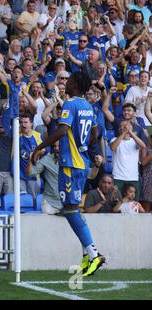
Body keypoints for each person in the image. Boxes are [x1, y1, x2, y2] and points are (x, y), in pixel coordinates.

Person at [32, 71, 106, 277]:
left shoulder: (70, 104)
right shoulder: (88, 107)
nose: (67, 82)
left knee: (70, 208)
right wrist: (82, 144)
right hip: (83, 162)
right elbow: (94, 134)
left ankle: (93, 254)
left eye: (70, 80)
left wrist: (40, 147)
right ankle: (86, 257)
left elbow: (62, 130)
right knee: (73, 208)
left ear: (76, 85)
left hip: (70, 163)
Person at [110, 120, 146, 201]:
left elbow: (143, 146)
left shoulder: (134, 141)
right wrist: (124, 133)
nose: (124, 127)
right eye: (121, 126)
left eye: (126, 125)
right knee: (116, 203)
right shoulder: (114, 139)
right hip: (118, 177)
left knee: (133, 204)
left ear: (132, 128)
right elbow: (113, 147)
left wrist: (131, 133)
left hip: (133, 177)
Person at [26, 141, 62, 214]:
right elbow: (30, 173)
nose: (56, 148)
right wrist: (31, 158)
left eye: (59, 146)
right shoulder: (47, 159)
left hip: (66, 204)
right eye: (55, 146)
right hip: (49, 203)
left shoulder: (71, 160)